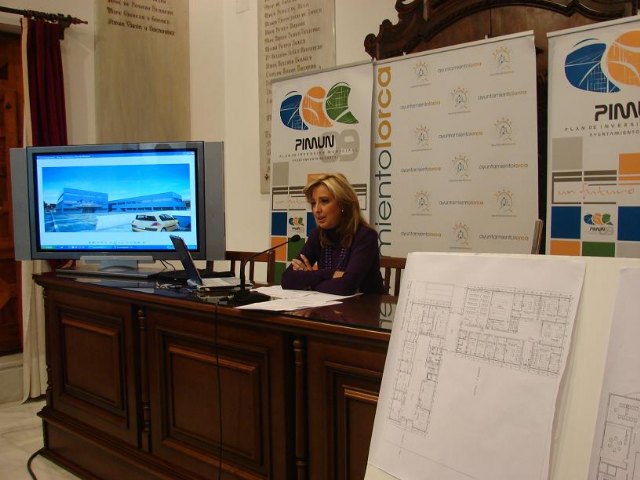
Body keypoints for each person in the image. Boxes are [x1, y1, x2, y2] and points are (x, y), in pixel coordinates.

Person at [281, 173, 384, 295]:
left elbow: (346, 286)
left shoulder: (365, 236)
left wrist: (308, 279)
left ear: (343, 204)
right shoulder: (318, 235)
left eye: (324, 201)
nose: (317, 210)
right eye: (313, 203)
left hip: (364, 305)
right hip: (329, 305)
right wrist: (329, 274)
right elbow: (287, 279)